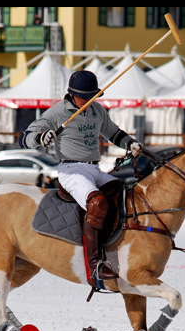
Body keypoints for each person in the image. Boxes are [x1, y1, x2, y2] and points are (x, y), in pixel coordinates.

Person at [20, 70, 142, 285]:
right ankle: (95, 265)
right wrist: (41, 137)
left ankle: (118, 247)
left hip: (95, 168)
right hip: (71, 171)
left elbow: (114, 133)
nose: (88, 101)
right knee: (97, 203)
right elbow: (25, 138)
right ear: (72, 94)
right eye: (84, 97)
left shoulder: (97, 110)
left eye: (91, 96)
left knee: (124, 194)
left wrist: (130, 143)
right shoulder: (58, 112)